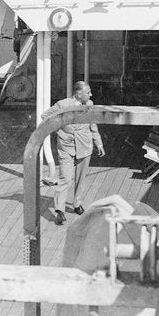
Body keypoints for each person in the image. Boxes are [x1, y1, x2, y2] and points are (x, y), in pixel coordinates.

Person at [42, 81, 105, 225]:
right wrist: (60, 128)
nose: (91, 94)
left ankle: (77, 204)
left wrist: (98, 143)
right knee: (65, 177)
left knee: (80, 178)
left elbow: (93, 125)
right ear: (78, 93)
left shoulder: (89, 104)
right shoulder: (63, 104)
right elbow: (45, 116)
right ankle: (59, 210)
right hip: (66, 146)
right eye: (88, 92)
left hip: (84, 144)